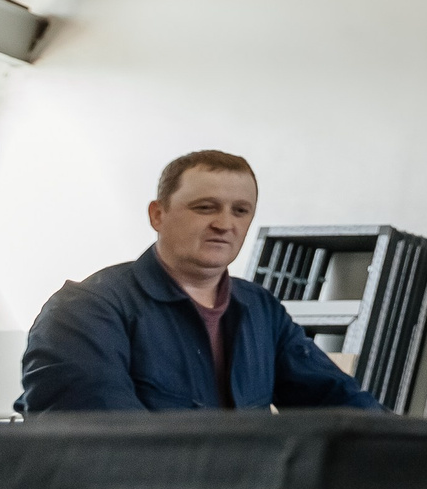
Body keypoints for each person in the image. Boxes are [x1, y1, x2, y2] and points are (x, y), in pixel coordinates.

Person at [19, 149, 382, 413]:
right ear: (158, 214)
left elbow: (336, 400)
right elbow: (105, 446)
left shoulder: (261, 311)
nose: (225, 224)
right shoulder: (86, 311)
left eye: (240, 211)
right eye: (205, 207)